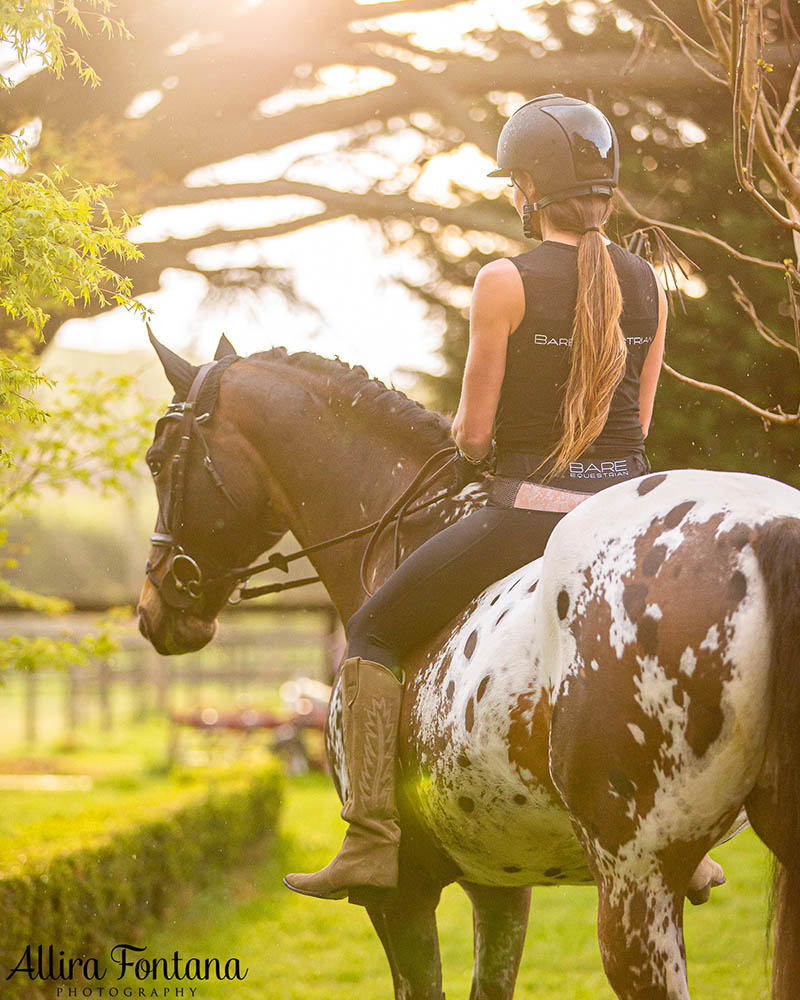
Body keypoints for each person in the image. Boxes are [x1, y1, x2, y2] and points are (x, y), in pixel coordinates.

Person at [283, 94, 668, 902]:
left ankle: (370, 839)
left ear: (528, 189)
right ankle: (685, 840)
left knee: (373, 629)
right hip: (626, 521)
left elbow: (472, 436)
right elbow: (638, 425)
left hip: (529, 517)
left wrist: (480, 445)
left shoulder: (505, 280)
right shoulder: (650, 288)